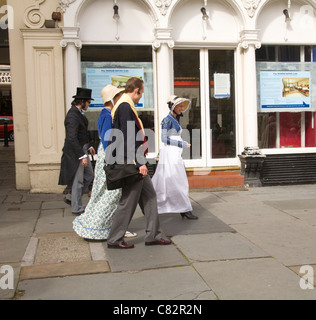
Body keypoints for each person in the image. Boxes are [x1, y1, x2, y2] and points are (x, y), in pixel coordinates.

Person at [106, 77, 171, 249]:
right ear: (136, 91)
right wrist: (139, 163)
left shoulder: (123, 105)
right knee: (128, 202)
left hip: (131, 161)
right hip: (132, 163)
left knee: (150, 197)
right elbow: (128, 138)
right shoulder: (126, 107)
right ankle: (115, 239)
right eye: (141, 93)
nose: (141, 96)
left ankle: (153, 235)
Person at [72, 85, 137, 240]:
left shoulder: (106, 114)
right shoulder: (108, 115)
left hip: (106, 155)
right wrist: (115, 161)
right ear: (113, 99)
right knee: (111, 195)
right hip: (109, 157)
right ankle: (108, 227)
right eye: (118, 96)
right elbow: (109, 141)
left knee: (104, 194)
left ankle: (107, 226)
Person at [152, 95, 198, 219]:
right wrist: (181, 143)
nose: (182, 108)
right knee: (175, 180)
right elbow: (164, 139)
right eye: (180, 106)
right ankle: (182, 208)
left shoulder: (175, 119)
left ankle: (182, 208)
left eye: (183, 106)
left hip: (174, 153)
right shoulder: (167, 120)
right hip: (170, 154)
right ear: (173, 106)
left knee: (175, 180)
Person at [58, 87, 95, 214]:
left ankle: (71, 197)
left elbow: (81, 133)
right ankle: (77, 208)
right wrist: (81, 156)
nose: (89, 104)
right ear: (82, 101)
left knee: (89, 175)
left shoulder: (78, 113)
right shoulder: (72, 116)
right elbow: (71, 138)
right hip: (76, 152)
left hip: (82, 149)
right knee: (78, 180)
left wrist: (89, 146)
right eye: (88, 102)